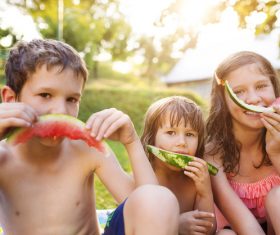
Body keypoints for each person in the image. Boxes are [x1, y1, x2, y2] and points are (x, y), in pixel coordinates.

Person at [0, 39, 180, 235]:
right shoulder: (3, 159)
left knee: (161, 198)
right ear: (10, 99)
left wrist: (131, 142)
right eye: (45, 95)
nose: (61, 110)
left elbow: (150, 206)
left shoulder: (87, 147)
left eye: (72, 99)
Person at [205, 51, 280, 235]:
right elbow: (247, 229)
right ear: (223, 99)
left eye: (261, 86)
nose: (253, 99)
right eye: (238, 91)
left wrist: (276, 153)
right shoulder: (213, 155)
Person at [141, 96, 216, 235]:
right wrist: (176, 226)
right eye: (170, 133)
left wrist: (204, 192)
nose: (182, 142)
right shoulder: (143, 177)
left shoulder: (195, 180)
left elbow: (209, 230)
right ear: (151, 138)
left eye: (190, 134)